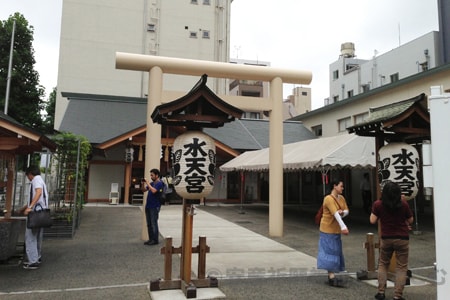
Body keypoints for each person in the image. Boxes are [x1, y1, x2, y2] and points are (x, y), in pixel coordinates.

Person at [370, 181, 413, 300]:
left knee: (383, 264)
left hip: (386, 238)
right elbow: (410, 220)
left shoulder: (378, 204)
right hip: (402, 238)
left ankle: (381, 292)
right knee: (401, 267)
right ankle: (397, 295)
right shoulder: (403, 204)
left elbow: (372, 220)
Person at [317, 180, 350, 287]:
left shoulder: (342, 198)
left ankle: (331, 275)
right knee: (329, 251)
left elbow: (346, 210)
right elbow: (335, 213)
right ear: (334, 186)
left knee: (335, 251)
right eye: (341, 186)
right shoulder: (328, 198)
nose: (342, 188)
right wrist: (343, 226)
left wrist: (343, 213)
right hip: (327, 229)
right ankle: (331, 276)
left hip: (335, 229)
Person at [18, 165, 48, 270]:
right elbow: (37, 198)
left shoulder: (36, 180)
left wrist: (29, 207)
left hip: (35, 214)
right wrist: (23, 208)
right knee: (38, 237)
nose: (28, 178)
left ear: (30, 174)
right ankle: (37, 257)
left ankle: (33, 261)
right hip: (42, 214)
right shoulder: (41, 180)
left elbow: (38, 193)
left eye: (27, 175)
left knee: (30, 237)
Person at [141, 168, 163, 245]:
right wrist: (143, 183)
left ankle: (155, 239)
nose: (151, 177)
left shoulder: (159, 183)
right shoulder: (152, 183)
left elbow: (154, 191)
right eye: (150, 175)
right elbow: (144, 190)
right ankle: (151, 239)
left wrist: (147, 183)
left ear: (157, 175)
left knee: (154, 223)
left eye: (152, 175)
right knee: (149, 223)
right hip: (149, 205)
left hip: (155, 206)